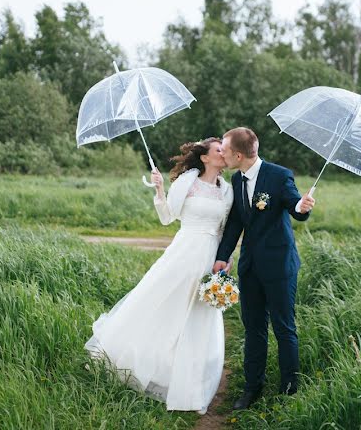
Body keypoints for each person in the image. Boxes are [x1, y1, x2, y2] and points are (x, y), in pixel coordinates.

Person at [84, 137, 233, 414]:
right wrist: (160, 189)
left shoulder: (227, 189)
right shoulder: (188, 182)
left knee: (199, 315)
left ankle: (189, 382)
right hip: (184, 253)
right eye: (218, 150)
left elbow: (225, 229)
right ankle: (141, 365)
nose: (224, 154)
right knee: (166, 306)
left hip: (210, 257)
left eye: (224, 150)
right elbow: (167, 218)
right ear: (204, 157)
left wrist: (227, 259)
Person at [212, 127, 315, 410]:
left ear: (238, 154)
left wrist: (303, 206)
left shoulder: (279, 175)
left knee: (284, 328)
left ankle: (289, 392)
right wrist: (223, 256)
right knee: (254, 329)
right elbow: (236, 222)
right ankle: (252, 389)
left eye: (224, 148)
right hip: (250, 268)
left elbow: (294, 206)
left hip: (280, 266)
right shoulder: (236, 178)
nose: (221, 152)